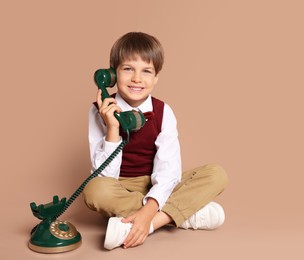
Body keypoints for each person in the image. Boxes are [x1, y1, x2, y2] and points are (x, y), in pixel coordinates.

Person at [83, 32, 228, 250]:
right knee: (94, 190)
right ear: (111, 74)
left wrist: (149, 213)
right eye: (128, 69)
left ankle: (149, 224)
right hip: (119, 187)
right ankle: (181, 213)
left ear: (156, 77)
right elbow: (104, 177)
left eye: (146, 71)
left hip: (155, 182)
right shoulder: (99, 111)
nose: (137, 79)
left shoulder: (163, 111)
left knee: (216, 174)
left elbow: (169, 171)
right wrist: (113, 129)